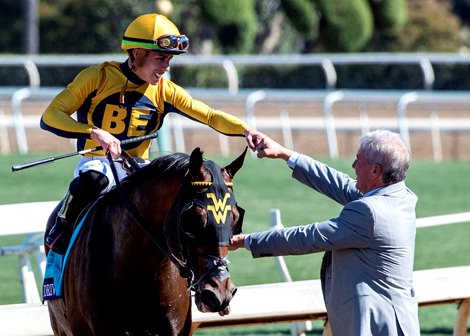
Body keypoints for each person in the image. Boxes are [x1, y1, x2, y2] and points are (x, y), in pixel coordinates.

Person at [40, 13, 262, 254]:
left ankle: (197, 264)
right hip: (98, 164)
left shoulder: (166, 91)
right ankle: (61, 228)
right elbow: (51, 115)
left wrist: (245, 130)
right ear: (137, 54)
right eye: (160, 59)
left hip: (140, 170)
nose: (165, 68)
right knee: (94, 181)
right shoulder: (97, 77)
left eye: (169, 61)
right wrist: (94, 132)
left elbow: (209, 115)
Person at [231, 129, 420, 335]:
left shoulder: (370, 212)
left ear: (375, 171)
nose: (353, 166)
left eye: (358, 161)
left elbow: (309, 237)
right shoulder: (399, 196)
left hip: (376, 325)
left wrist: (246, 241)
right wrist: (284, 153)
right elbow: (339, 183)